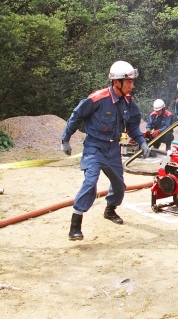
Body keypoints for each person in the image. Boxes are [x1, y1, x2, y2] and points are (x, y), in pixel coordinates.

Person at [60, 61, 149, 241]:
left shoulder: (129, 103)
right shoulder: (97, 99)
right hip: (94, 146)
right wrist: (65, 139)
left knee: (119, 186)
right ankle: (75, 225)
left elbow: (133, 125)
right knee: (90, 181)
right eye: (129, 82)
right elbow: (76, 115)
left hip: (113, 149)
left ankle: (110, 210)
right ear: (117, 82)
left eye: (132, 81)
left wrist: (142, 141)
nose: (132, 85)